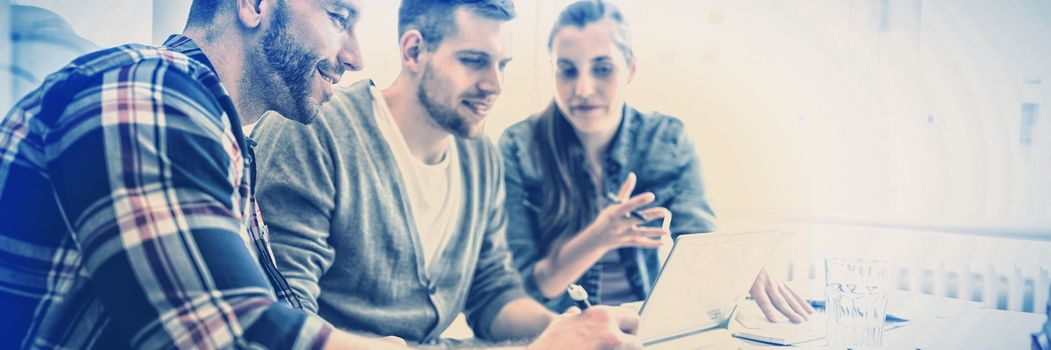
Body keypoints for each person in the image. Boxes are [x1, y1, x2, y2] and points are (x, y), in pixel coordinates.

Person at [0, 0, 637, 349]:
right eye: (338, 15)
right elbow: (247, 337)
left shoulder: (227, 146)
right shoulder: (141, 89)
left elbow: (284, 318)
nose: (357, 54)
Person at [250, 0, 640, 347]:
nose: (495, 84)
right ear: (414, 50)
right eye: (474, 61)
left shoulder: (480, 156)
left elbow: (493, 294)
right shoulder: (312, 131)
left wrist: (574, 329)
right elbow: (288, 320)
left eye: (501, 64)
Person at [499, 0, 815, 324]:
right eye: (567, 70)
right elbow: (523, 291)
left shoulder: (668, 140)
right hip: (556, 330)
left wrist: (736, 264)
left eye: (603, 68)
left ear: (631, 68)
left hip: (642, 330)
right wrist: (598, 237)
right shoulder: (518, 146)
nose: (583, 88)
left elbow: (698, 240)